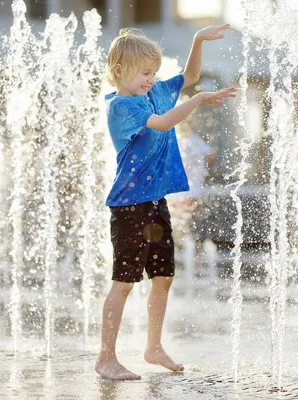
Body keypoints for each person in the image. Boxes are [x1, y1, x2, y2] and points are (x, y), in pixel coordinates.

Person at [95, 26, 237, 381]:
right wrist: (199, 100)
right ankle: (106, 357)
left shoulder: (154, 91)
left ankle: (153, 347)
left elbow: (189, 76)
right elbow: (161, 124)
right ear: (119, 71)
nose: (151, 79)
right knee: (124, 282)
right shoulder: (123, 106)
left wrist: (197, 39)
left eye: (153, 72)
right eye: (145, 73)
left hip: (154, 203)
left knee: (163, 276)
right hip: (129, 206)